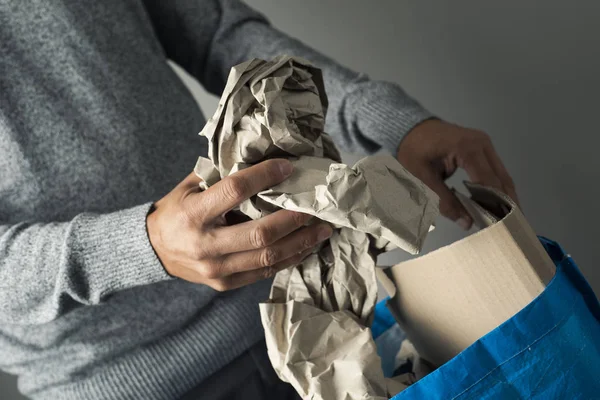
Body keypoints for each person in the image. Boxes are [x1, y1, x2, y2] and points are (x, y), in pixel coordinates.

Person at [0, 1, 518, 399]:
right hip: (118, 380)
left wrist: (385, 119)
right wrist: (139, 246)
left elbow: (213, 30)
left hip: (303, 324)